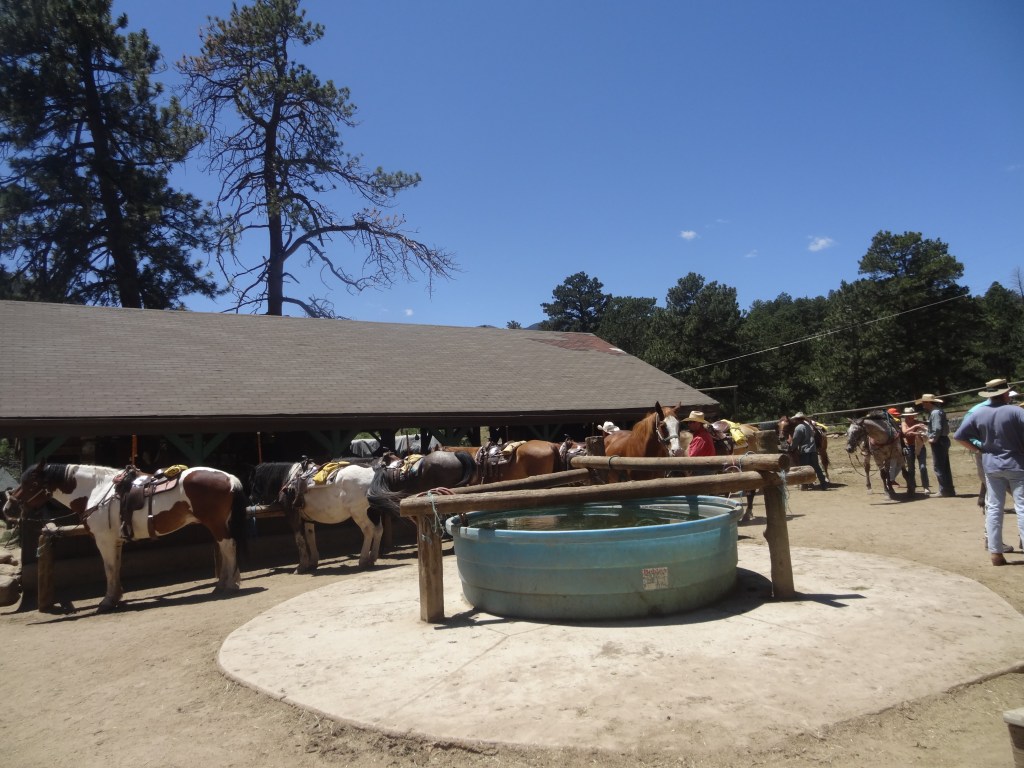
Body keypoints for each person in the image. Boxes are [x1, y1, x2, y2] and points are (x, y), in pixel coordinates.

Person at [953, 379, 1024, 566]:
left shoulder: (979, 412)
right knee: (1022, 507)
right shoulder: (1016, 411)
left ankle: (995, 553)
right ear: (1005, 393)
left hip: (991, 466)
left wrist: (979, 449)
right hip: (1017, 464)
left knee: (994, 508)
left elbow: (959, 436)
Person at [915, 393, 956, 497]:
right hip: (943, 439)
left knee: (939, 466)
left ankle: (944, 490)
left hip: (939, 441)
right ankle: (949, 489)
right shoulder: (938, 411)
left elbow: (937, 428)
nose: (923, 405)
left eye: (924, 402)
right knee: (944, 466)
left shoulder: (935, 413)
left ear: (928, 402)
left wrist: (933, 438)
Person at [790, 412, 828, 490]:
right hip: (813, 449)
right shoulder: (808, 426)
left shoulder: (798, 428)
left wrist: (791, 447)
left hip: (804, 450)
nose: (794, 421)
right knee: (816, 467)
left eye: (795, 420)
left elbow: (796, 440)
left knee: (804, 468)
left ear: (797, 419)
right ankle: (823, 483)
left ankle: (805, 485)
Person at [900, 407, 931, 495]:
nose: (911, 416)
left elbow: (925, 432)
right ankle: (912, 487)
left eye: (912, 415)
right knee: (911, 468)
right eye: (910, 415)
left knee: (923, 467)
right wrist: (915, 428)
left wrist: (914, 432)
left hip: (919, 446)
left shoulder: (918, 422)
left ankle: (925, 486)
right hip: (909, 446)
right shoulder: (904, 423)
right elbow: (905, 432)